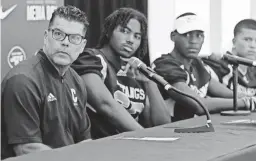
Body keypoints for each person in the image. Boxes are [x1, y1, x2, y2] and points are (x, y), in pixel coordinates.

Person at [1, 6, 91, 159]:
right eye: (58, 34)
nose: (65, 43)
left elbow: (85, 140)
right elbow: (26, 150)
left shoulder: (77, 81)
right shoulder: (23, 80)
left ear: (82, 46)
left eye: (74, 38)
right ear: (45, 36)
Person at [152, 13, 256, 121]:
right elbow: (198, 105)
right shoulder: (164, 64)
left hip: (198, 129)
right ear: (173, 36)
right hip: (171, 133)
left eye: (199, 35)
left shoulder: (198, 63)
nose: (194, 41)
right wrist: (251, 102)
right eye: (187, 35)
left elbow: (228, 94)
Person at [71, 8, 170, 139]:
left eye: (137, 36)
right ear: (109, 31)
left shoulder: (135, 72)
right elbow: (105, 105)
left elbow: (162, 124)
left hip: (133, 147)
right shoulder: (92, 58)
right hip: (101, 149)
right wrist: (146, 137)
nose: (130, 40)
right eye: (124, 31)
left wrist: (149, 81)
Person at [202, 19, 256, 108]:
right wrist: (254, 100)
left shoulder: (254, 72)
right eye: (247, 40)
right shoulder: (218, 65)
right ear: (234, 42)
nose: (253, 46)